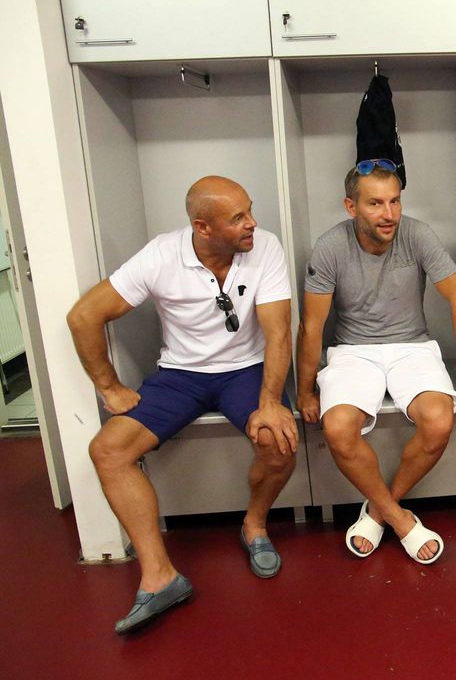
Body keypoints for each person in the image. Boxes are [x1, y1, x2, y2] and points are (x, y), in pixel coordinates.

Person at [66, 176, 298, 633]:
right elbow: (84, 315)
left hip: (245, 371)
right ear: (202, 227)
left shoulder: (265, 247)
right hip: (181, 375)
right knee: (108, 451)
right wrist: (109, 386)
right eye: (238, 217)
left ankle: (254, 526)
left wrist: (271, 401)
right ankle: (161, 577)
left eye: (250, 210)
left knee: (278, 442)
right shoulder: (161, 254)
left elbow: (278, 331)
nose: (252, 223)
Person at [297, 158, 456, 565]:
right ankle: (401, 520)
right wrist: (305, 389)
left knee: (439, 421)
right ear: (351, 207)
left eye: (395, 201)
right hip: (352, 350)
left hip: (412, 346)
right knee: (337, 428)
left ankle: (381, 511)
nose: (389, 214)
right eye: (376, 204)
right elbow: (311, 325)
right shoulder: (330, 246)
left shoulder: (416, 234)